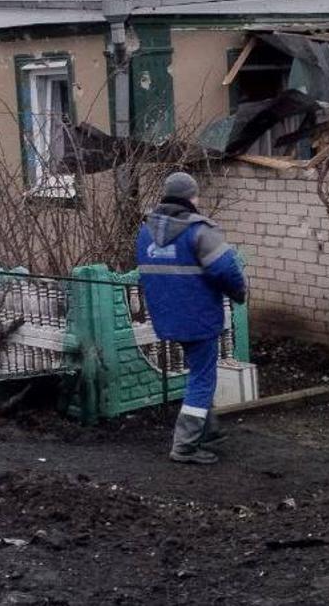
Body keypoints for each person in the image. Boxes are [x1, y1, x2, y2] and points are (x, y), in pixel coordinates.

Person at [136, 171, 247, 465]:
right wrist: (240, 293)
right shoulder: (199, 230)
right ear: (191, 197)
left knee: (199, 371)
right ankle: (184, 446)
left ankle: (207, 431)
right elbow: (226, 270)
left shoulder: (146, 231)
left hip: (166, 316)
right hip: (198, 316)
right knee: (202, 378)